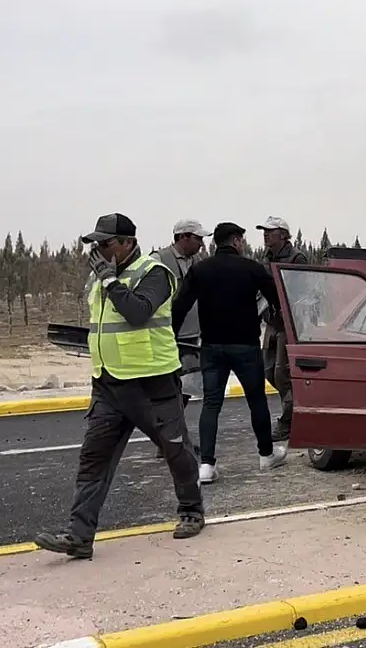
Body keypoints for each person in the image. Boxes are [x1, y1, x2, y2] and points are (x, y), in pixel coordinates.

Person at [34, 214, 204, 559]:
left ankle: (191, 509)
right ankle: (79, 536)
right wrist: (107, 279)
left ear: (127, 242)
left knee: (174, 450)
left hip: (152, 383)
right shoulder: (101, 278)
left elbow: (138, 313)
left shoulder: (154, 272)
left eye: (105, 243)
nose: (97, 250)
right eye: (95, 244)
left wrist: (111, 281)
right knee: (93, 459)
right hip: (109, 384)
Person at [172, 222, 289, 484]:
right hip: (246, 346)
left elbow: (180, 307)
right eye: (242, 240)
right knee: (256, 400)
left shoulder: (200, 270)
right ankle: (266, 455)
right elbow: (278, 301)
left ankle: (207, 465)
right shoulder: (251, 269)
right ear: (236, 241)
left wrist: (171, 340)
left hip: (212, 347)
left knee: (211, 404)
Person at [150, 219, 211, 458]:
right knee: (169, 390)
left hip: (193, 336)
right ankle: (167, 441)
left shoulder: (198, 262)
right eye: (198, 239)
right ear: (183, 237)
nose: (202, 244)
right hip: (168, 337)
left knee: (184, 391)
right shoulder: (158, 260)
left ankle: (172, 440)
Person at [257, 216, 309, 442]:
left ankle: (289, 421)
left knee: (283, 374)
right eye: (264, 231)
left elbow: (302, 291)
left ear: (283, 234)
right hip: (271, 322)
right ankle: (293, 414)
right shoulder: (266, 258)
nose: (266, 234)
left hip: (290, 323)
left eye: (271, 231)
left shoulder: (297, 258)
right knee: (269, 371)